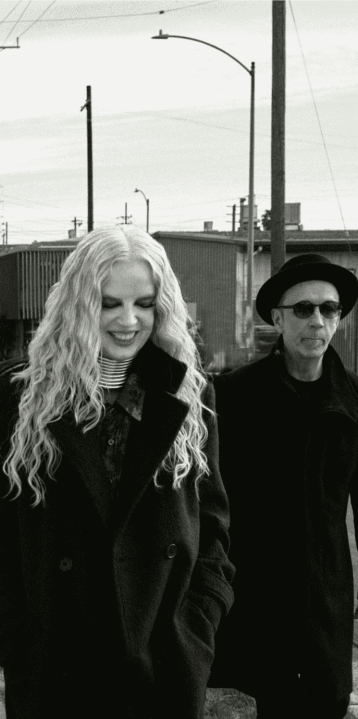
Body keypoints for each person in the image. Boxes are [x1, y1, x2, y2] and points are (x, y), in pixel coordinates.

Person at [0, 225, 235, 718]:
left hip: (163, 664)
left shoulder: (189, 393)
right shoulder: (19, 392)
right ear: (78, 303)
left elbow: (213, 528)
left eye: (144, 303)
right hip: (55, 665)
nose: (128, 321)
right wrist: (9, 637)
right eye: (109, 303)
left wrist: (198, 624)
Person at [209, 254, 358, 718]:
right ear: (277, 318)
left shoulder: (353, 400)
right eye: (303, 308)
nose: (317, 321)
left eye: (329, 309)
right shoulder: (234, 396)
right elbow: (208, 505)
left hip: (326, 602)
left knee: (327, 703)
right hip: (254, 603)